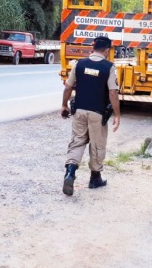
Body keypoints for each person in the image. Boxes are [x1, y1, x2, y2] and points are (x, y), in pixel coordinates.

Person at [60, 36, 121, 196]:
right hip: (97, 113)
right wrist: (117, 115)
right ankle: (95, 178)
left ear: (93, 48)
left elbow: (68, 87)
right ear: (107, 49)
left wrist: (64, 105)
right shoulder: (109, 67)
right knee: (97, 144)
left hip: (79, 110)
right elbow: (113, 92)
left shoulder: (79, 64)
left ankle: (70, 173)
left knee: (77, 142)